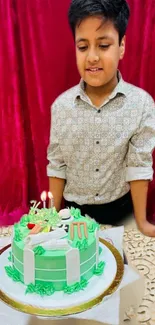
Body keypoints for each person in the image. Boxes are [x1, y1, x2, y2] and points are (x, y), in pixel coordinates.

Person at [47, 0, 155, 237]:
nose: (92, 57)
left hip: (121, 213)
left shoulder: (141, 104)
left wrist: (142, 222)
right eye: (83, 47)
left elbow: (139, 166)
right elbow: (57, 165)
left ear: (122, 45)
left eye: (104, 45)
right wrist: (52, 221)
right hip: (73, 216)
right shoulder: (61, 106)